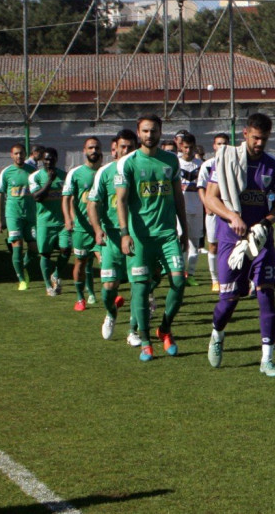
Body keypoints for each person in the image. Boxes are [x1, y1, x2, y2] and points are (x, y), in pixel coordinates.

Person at [203, 113, 275, 377]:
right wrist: (232, 216)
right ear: (245, 134)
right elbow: (210, 199)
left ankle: (267, 359)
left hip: (260, 239)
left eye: (264, 138)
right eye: (255, 137)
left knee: (266, 295)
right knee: (229, 299)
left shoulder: (273, 167)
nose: (259, 143)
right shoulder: (225, 159)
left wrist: (265, 223)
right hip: (230, 238)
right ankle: (217, 333)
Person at [115, 114, 189, 362]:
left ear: (160, 132)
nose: (149, 135)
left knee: (178, 283)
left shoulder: (171, 161)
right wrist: (124, 234)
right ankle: (145, 340)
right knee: (141, 288)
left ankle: (165, 328)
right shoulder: (128, 163)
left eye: (154, 130)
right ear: (139, 133)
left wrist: (185, 230)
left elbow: (178, 197)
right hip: (140, 238)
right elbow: (122, 201)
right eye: (145, 131)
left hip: (168, 235)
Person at [88, 131, 136, 342]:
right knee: (108, 288)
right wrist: (98, 229)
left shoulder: (140, 169)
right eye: (122, 147)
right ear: (115, 148)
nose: (126, 151)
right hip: (112, 239)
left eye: (130, 147)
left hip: (137, 237)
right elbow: (92, 203)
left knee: (139, 285)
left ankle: (133, 330)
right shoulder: (104, 172)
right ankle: (111, 314)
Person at [62, 137, 104, 311]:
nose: (93, 151)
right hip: (82, 228)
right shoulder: (75, 173)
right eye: (90, 148)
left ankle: (110, 295)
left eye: (96, 148)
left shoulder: (105, 171)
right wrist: (68, 218)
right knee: (81, 261)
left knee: (105, 260)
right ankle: (80, 297)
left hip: (102, 227)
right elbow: (66, 198)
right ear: (84, 151)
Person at [0, 143, 39, 290]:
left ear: (25, 154)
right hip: (13, 215)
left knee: (34, 248)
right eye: (16, 153)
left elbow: (38, 194)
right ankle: (21, 279)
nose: (19, 156)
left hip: (31, 215)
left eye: (21, 153)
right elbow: (0, 195)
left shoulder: (33, 172)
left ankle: (22, 266)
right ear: (11, 155)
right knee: (17, 245)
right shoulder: (6, 172)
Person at [28, 148, 69, 297]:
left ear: (56, 159)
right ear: (41, 160)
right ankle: (48, 286)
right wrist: (50, 181)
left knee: (66, 249)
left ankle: (56, 274)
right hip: (44, 222)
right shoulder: (35, 177)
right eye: (46, 159)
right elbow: (37, 197)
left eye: (51, 159)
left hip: (63, 221)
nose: (48, 162)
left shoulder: (65, 176)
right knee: (45, 254)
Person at [197, 132, 229, 293]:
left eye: (224, 143)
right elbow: (201, 187)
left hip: (230, 211)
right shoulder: (208, 165)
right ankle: (215, 280)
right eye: (219, 143)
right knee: (214, 245)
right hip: (213, 212)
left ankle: (230, 276)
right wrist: (206, 204)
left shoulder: (233, 162)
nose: (221, 146)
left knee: (233, 245)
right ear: (214, 146)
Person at [175, 131, 207, 286]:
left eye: (191, 147)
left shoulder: (201, 166)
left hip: (197, 208)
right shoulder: (175, 163)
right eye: (185, 147)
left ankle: (191, 274)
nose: (188, 150)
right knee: (180, 240)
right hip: (180, 209)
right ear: (181, 147)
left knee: (195, 243)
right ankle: (180, 273)